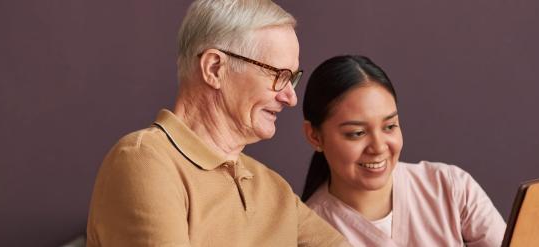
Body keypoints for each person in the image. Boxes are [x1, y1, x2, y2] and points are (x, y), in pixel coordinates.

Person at [85, 1, 349, 246]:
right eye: (278, 75)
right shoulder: (143, 160)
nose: (290, 98)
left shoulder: (273, 187)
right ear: (214, 68)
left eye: (292, 78)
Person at [299, 55, 539, 247]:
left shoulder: (449, 187)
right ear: (315, 136)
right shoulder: (310, 232)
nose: (378, 147)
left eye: (389, 127)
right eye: (357, 133)